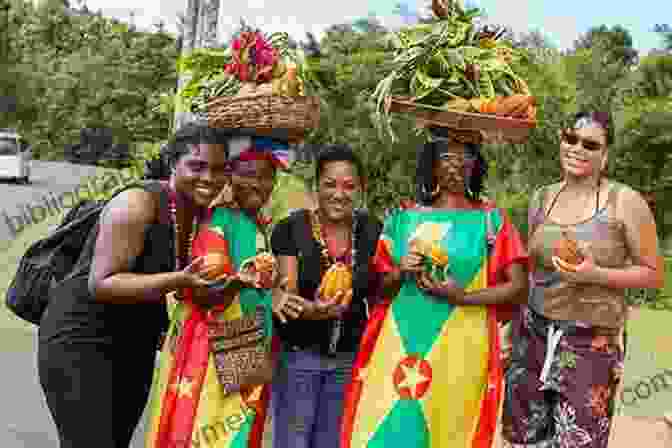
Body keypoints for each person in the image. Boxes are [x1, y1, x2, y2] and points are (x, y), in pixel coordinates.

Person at [37, 123, 231, 448]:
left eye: (218, 169)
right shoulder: (137, 205)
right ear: (172, 164)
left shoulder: (197, 213)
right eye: (196, 166)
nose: (209, 178)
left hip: (133, 346)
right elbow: (102, 283)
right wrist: (179, 279)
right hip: (81, 342)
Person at [340, 127, 529, 448]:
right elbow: (377, 290)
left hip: (464, 348)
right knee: (391, 429)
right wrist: (401, 272)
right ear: (432, 163)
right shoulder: (402, 218)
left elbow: (519, 288)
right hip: (400, 343)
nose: (455, 164)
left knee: (450, 431)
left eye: (464, 155)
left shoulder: (492, 221)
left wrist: (464, 296)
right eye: (446, 156)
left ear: (475, 163)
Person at [501, 111, 666, 448]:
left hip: (591, 344)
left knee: (579, 440)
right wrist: (509, 330)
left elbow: (653, 274)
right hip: (532, 336)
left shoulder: (625, 203)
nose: (577, 148)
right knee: (523, 439)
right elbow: (531, 268)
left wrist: (596, 274)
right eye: (570, 138)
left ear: (604, 157)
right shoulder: (541, 198)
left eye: (590, 144)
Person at [145, 130, 293, 448]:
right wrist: (239, 281)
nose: (257, 184)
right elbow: (204, 292)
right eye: (247, 174)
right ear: (230, 176)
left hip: (243, 341)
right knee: (206, 429)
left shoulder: (256, 223)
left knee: (232, 433)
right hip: (214, 346)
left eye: (266, 177)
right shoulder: (220, 220)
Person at [269, 144, 383, 448]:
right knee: (293, 441)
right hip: (298, 356)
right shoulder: (291, 229)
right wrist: (314, 310)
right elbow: (287, 291)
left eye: (349, 186)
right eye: (330, 184)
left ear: (360, 189)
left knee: (334, 442)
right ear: (316, 185)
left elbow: (384, 285)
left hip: (350, 358)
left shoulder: (372, 230)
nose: (339, 194)